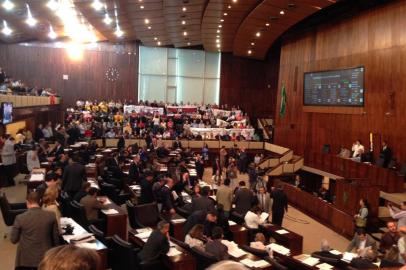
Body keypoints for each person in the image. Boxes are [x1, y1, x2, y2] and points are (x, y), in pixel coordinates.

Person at [10, 192, 59, 270]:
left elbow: (13, 240)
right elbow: (56, 238)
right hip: (45, 257)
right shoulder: (51, 215)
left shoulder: (20, 218)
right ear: (40, 201)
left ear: (27, 202)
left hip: (25, 259)